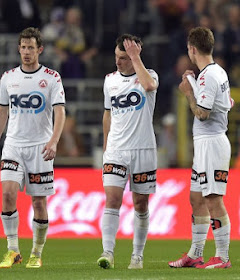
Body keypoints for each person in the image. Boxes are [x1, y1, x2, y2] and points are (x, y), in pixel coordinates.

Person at [0, 27, 66, 269]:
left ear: (39, 49)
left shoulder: (52, 77)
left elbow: (60, 111)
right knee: (8, 193)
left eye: (31, 47)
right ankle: (12, 250)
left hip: (39, 147)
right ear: (19, 49)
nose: (26, 52)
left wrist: (53, 141)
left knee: (38, 202)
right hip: (13, 144)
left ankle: (36, 252)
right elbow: (2, 111)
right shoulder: (8, 77)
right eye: (23, 47)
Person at [169, 27, 233, 269]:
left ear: (192, 49)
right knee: (196, 198)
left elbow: (203, 113)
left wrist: (188, 93)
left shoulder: (209, 77)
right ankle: (195, 253)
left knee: (213, 199)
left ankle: (223, 257)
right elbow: (227, 103)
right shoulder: (216, 73)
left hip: (212, 144)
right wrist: (194, 84)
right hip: (206, 144)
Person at [97, 34, 158, 270]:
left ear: (133, 56)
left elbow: (149, 86)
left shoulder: (150, 75)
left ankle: (137, 255)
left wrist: (135, 57)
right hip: (116, 150)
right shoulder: (109, 81)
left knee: (141, 204)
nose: (118, 62)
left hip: (143, 149)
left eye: (123, 57)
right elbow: (107, 114)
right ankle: (107, 252)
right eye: (117, 56)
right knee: (112, 199)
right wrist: (105, 146)